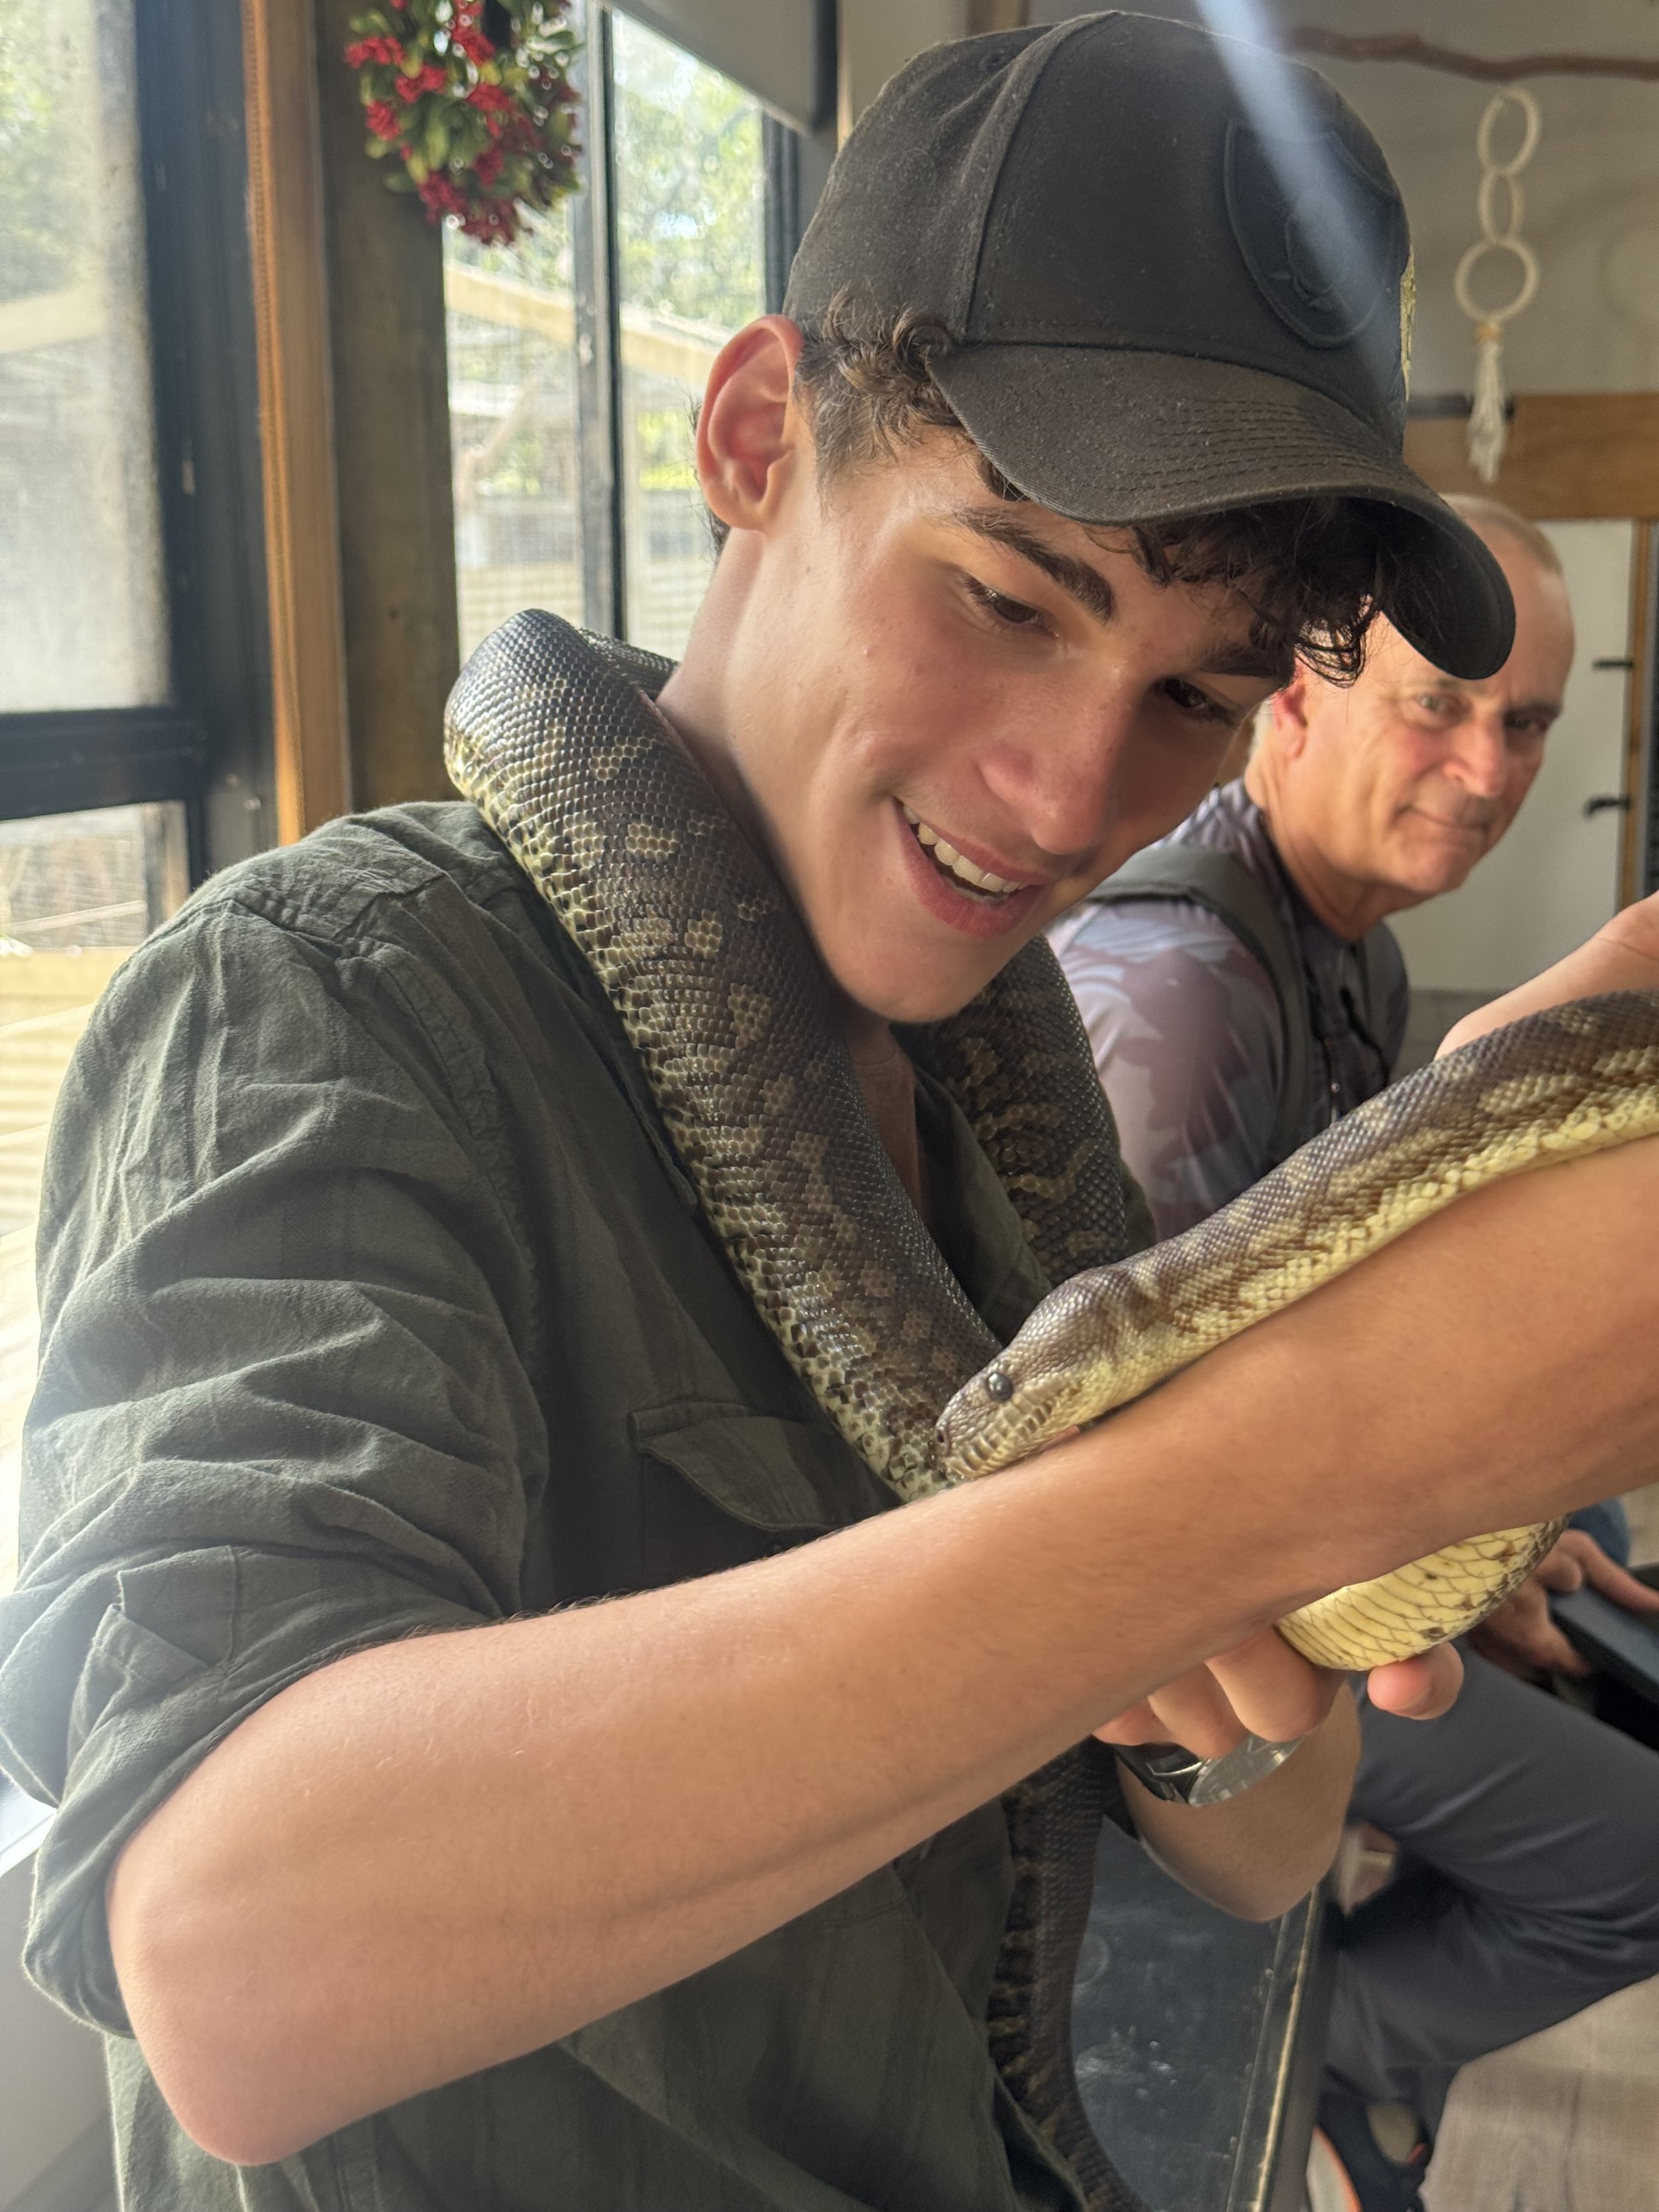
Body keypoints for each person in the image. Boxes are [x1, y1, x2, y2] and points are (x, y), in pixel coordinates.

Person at [4, 19, 1659, 2212]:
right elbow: (230, 1969)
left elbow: (1263, 1849)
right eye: (1004, 597)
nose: (1071, 793)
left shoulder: (998, 1073)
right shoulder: (332, 997)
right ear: (756, 436)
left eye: (1194, 694)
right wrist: (1281, 1466)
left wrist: (1314, 1552)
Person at [1051, 497, 1659, 2212]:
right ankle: (1330, 2066)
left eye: (1524, 721)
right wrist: (1466, 1560)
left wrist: (1517, 1527)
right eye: (1436, 705)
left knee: (1600, 1551)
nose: (1486, 768)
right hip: (1171, 1634)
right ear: (1296, 703)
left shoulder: (1343, 945)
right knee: (1643, 1857)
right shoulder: (1177, 1001)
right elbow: (1166, 1491)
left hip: (1320, 1530)